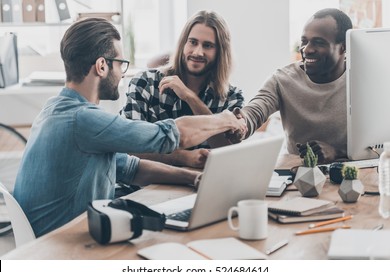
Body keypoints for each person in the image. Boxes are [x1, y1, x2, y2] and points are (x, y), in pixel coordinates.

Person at [13, 18, 246, 237]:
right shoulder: (83, 120)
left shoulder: (56, 108)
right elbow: (170, 135)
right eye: (121, 64)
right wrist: (225, 120)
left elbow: (130, 168)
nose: (122, 73)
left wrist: (192, 179)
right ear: (102, 66)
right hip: (61, 247)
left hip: (51, 238)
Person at [121, 10, 244, 168]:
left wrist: (189, 97)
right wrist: (184, 157)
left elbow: (228, 152)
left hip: (202, 186)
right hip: (146, 186)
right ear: (183, 44)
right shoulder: (145, 83)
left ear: (220, 52)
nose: (198, 52)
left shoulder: (232, 97)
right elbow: (129, 147)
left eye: (207, 45)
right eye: (192, 42)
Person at [229, 8, 353, 164]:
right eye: (304, 41)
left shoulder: (362, 80)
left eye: (319, 43)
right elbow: (255, 110)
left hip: (354, 173)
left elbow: (379, 144)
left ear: (344, 47)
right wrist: (241, 123)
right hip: (298, 176)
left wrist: (337, 152)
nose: (307, 50)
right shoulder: (283, 79)